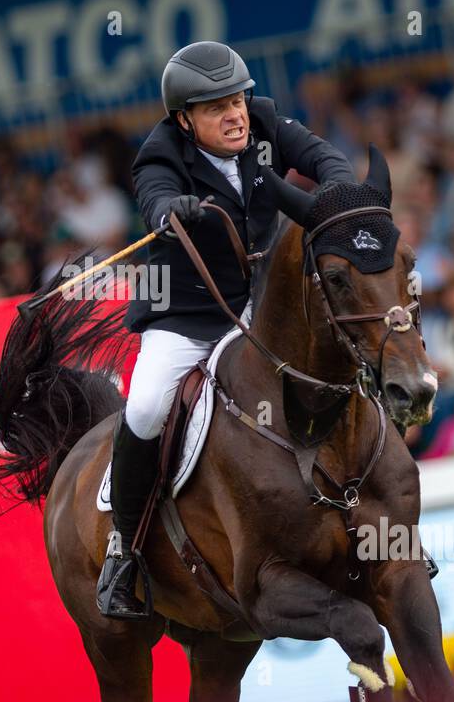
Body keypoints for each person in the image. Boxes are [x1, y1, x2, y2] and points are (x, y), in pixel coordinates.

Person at [98, 41, 358, 618]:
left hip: (258, 310)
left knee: (338, 352)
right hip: (186, 319)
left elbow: (324, 159)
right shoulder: (159, 153)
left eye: (237, 99)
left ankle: (374, 516)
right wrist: (171, 213)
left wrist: (340, 193)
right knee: (143, 408)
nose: (235, 113)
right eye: (217, 107)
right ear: (185, 120)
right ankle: (124, 549)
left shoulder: (265, 119)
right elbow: (154, 197)